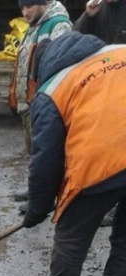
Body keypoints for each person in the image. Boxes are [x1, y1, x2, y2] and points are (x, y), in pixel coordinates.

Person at [22, 31, 126, 276]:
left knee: (71, 234)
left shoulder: (53, 88)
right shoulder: (118, 50)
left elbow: (46, 159)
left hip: (103, 157)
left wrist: (37, 209)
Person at [9, 0, 71, 204]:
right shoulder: (33, 28)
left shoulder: (58, 25)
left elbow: (62, 64)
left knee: (47, 153)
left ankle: (47, 197)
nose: (25, 12)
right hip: (30, 102)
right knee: (34, 152)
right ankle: (36, 190)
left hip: (45, 101)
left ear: (43, 3)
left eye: (29, 6)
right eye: (22, 8)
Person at [73, 0, 126, 226]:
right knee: (109, 146)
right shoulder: (100, 9)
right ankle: (107, 201)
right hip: (105, 87)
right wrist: (87, 15)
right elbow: (74, 38)